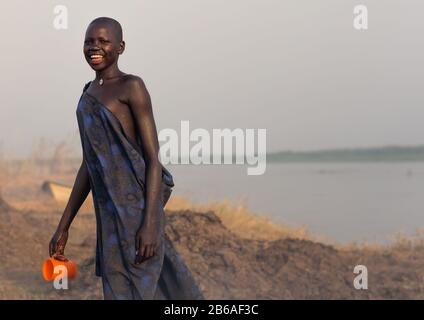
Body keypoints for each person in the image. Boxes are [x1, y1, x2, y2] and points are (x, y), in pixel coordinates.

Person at [49, 17, 203, 300]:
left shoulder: (131, 86)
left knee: (151, 286)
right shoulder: (87, 95)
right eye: (89, 41)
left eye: (103, 41)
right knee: (119, 291)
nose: (95, 47)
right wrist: (63, 225)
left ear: (120, 47)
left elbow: (153, 159)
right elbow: (89, 165)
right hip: (108, 219)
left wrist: (150, 225)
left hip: (138, 213)